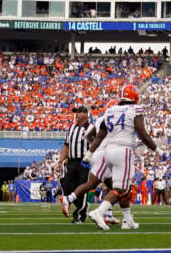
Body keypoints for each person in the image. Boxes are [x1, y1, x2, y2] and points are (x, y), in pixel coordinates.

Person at [76, 86, 156, 230]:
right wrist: (157, 149)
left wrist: (88, 154)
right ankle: (99, 212)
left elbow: (99, 135)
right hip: (123, 150)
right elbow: (142, 134)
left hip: (108, 151)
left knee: (122, 188)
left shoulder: (110, 110)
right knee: (121, 189)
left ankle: (127, 220)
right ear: (134, 97)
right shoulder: (135, 110)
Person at [57, 106, 93, 220]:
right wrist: (60, 161)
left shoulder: (92, 128)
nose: (76, 115)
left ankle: (79, 215)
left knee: (82, 187)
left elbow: (97, 145)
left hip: (84, 162)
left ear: (85, 114)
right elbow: (66, 145)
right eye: (75, 112)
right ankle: (84, 206)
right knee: (68, 186)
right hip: (71, 161)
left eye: (78, 112)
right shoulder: (71, 128)